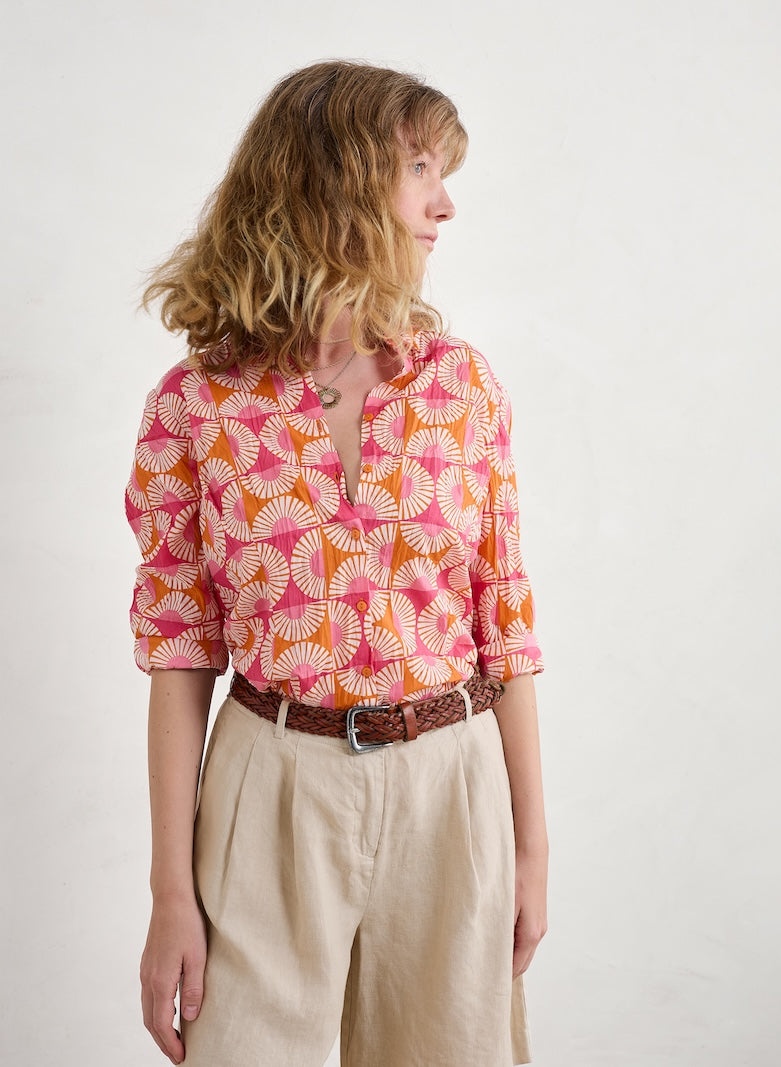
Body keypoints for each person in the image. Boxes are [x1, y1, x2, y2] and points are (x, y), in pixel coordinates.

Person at [126, 59, 548, 1067]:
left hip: (450, 782)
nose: (443, 204)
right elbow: (178, 651)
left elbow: (505, 621)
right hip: (269, 782)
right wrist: (170, 893)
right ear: (337, 184)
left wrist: (531, 846)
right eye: (418, 168)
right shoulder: (197, 404)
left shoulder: (460, 387)